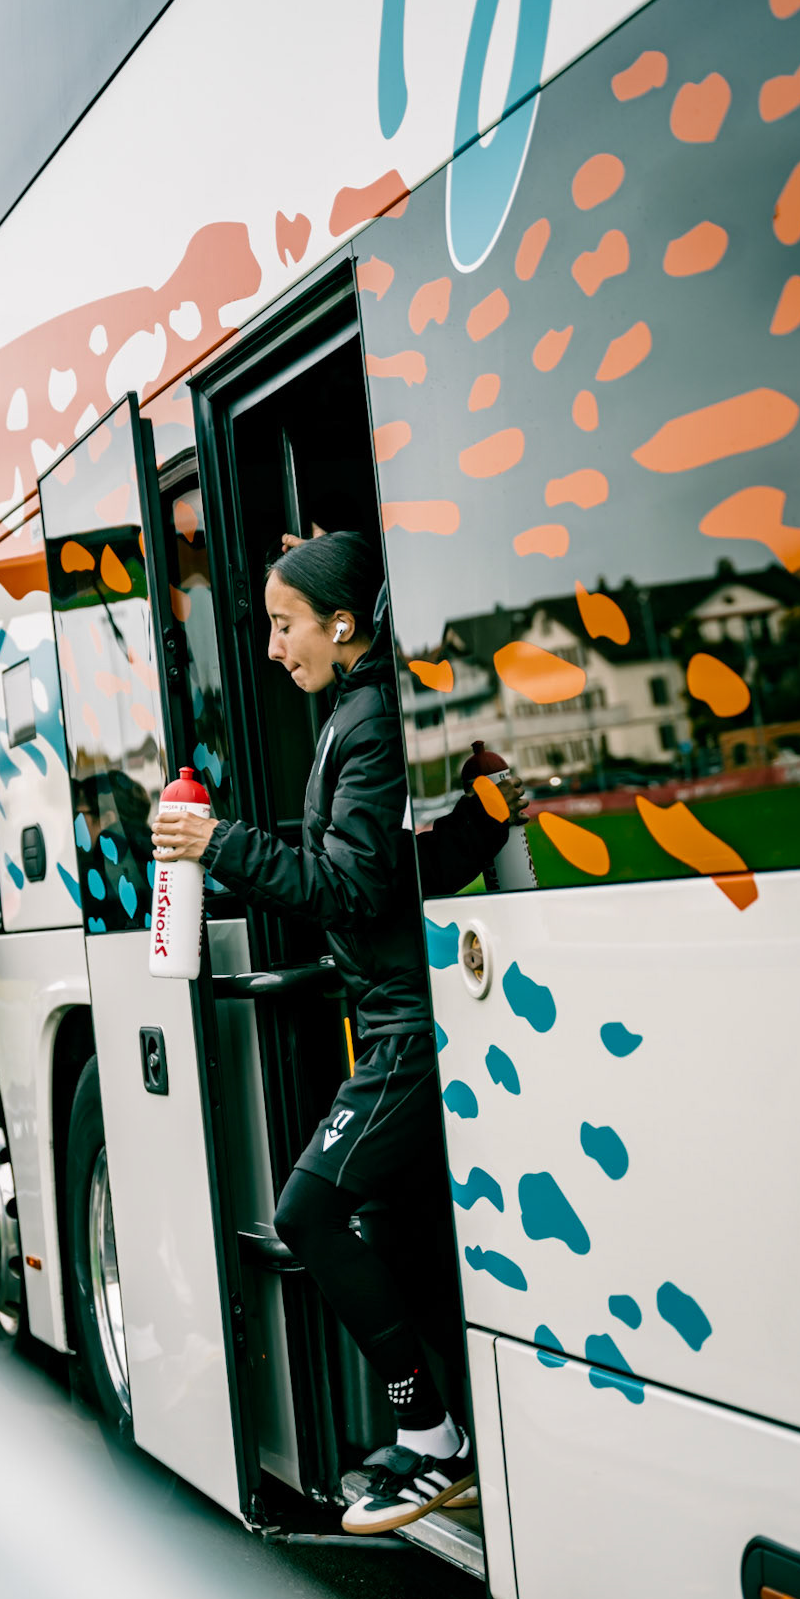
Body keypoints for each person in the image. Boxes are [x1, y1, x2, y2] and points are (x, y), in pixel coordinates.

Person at [151, 531, 526, 1534]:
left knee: (309, 1213)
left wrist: (220, 841)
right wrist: (486, 820)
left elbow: (354, 886)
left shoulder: (365, 719)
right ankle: (455, 1437)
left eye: (285, 624)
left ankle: (435, 1441)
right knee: (401, 1235)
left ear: (343, 623)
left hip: (408, 1029)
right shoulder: (358, 712)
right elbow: (404, 872)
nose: (273, 648)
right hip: (395, 1018)